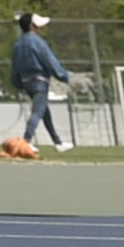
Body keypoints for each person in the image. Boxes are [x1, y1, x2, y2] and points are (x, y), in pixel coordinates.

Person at [11, 12, 74, 153]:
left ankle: (57, 142)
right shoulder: (38, 42)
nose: (40, 28)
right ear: (31, 26)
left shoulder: (18, 44)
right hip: (39, 81)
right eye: (37, 25)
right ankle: (26, 140)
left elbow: (14, 66)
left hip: (26, 81)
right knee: (38, 111)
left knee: (45, 111)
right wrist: (65, 77)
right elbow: (50, 61)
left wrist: (16, 82)